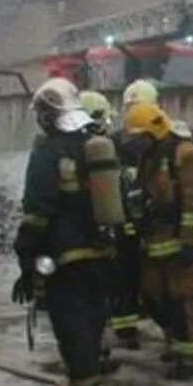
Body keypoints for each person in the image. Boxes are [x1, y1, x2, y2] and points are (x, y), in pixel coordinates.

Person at [12, 78, 114, 386]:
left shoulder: (48, 152)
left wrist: (26, 259)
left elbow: (37, 213)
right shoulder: (95, 145)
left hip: (63, 253)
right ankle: (90, 374)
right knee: (93, 314)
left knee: (70, 319)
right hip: (100, 249)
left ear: (46, 116)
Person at [125, 102, 193, 380]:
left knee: (185, 301)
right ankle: (174, 346)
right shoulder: (150, 157)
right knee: (155, 297)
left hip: (185, 245)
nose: (136, 143)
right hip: (157, 242)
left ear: (153, 131)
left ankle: (188, 363)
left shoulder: (185, 155)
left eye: (139, 136)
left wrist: (188, 242)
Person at [81, 90, 143, 351]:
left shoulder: (72, 148)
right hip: (112, 232)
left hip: (90, 233)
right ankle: (119, 334)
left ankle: (108, 337)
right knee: (117, 282)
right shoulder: (103, 149)